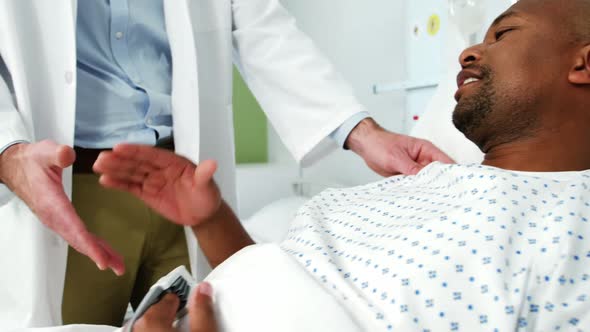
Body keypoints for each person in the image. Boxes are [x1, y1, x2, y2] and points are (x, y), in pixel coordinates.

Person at [96, 0, 590, 330]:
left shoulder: (573, 224)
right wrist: (211, 218)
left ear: (583, 65)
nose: (468, 51)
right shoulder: (421, 184)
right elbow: (281, 286)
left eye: (504, 34)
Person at [0, 0, 453, 328]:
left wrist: (362, 131)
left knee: (216, 318)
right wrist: (9, 154)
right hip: (69, 187)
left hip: (183, 185)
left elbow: (261, 23)